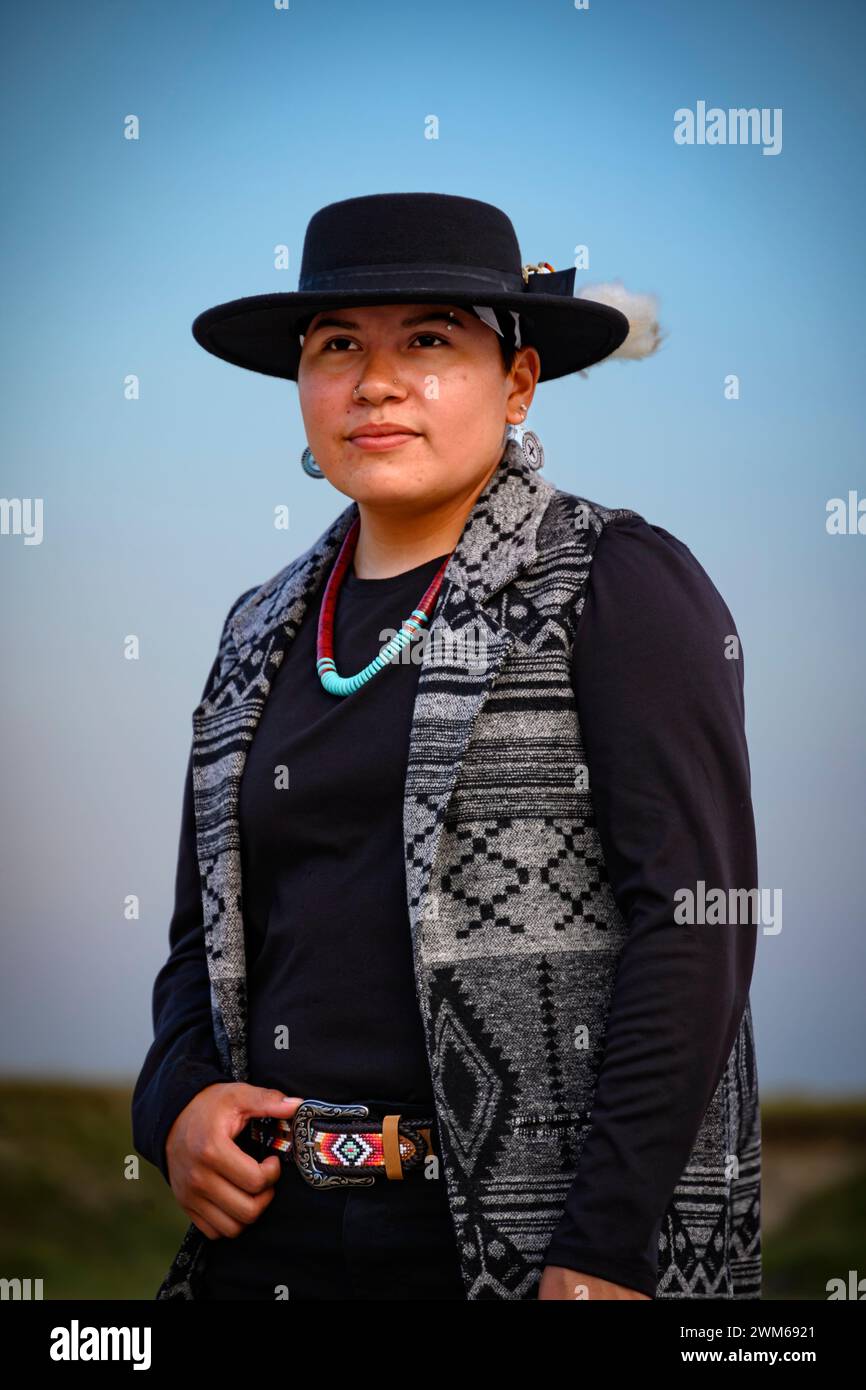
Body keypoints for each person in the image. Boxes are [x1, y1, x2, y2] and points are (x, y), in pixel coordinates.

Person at [131, 192, 761, 1301]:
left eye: (428, 339)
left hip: (517, 1244)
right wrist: (173, 1099)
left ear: (516, 383)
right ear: (301, 388)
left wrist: (606, 1245)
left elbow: (693, 923)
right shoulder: (254, 632)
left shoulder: (610, 583)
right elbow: (200, 938)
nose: (375, 381)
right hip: (270, 1243)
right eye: (337, 346)